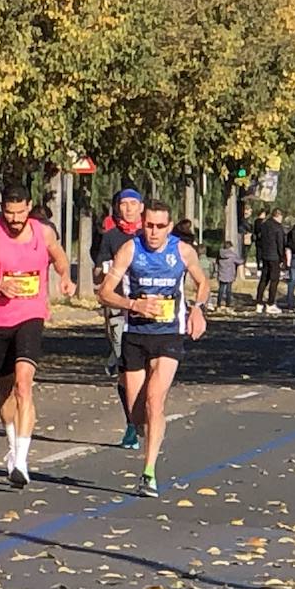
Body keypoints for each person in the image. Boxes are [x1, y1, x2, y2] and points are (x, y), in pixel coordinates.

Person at [0, 182, 76, 487]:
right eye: (9, 213)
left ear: (29, 207)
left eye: (20, 212)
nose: (14, 219)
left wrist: (65, 276)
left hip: (31, 314)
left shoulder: (43, 232)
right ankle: (12, 448)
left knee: (25, 384)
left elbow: (59, 257)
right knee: (6, 388)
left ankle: (22, 460)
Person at [96, 199, 208, 496]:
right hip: (136, 335)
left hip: (169, 335)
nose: (154, 232)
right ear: (142, 224)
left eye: (160, 226)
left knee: (155, 401)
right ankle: (147, 432)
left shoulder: (182, 251)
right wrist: (134, 304)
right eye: (149, 226)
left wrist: (198, 309)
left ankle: (148, 473)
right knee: (137, 415)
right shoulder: (130, 249)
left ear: (169, 227)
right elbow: (105, 292)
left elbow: (202, 281)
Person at [95, 188, 144, 449]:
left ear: (141, 207)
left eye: (132, 203)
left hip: (148, 310)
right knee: (126, 371)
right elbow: (99, 267)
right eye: (123, 204)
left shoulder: (151, 235)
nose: (127, 208)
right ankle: (131, 425)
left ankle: (146, 413)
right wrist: (102, 272)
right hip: (117, 309)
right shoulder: (111, 237)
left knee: (147, 371)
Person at [254, 209, 287, 314]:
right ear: (278, 215)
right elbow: (280, 243)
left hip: (265, 255)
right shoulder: (278, 227)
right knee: (274, 280)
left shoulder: (264, 225)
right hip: (275, 256)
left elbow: (259, 239)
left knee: (264, 279)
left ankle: (259, 303)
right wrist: (282, 258)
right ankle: (270, 303)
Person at [215, 240, 240, 311]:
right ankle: (228, 304)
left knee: (221, 289)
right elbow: (239, 261)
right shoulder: (232, 255)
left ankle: (219, 303)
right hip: (230, 275)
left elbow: (217, 263)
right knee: (228, 290)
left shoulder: (220, 254)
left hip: (221, 274)